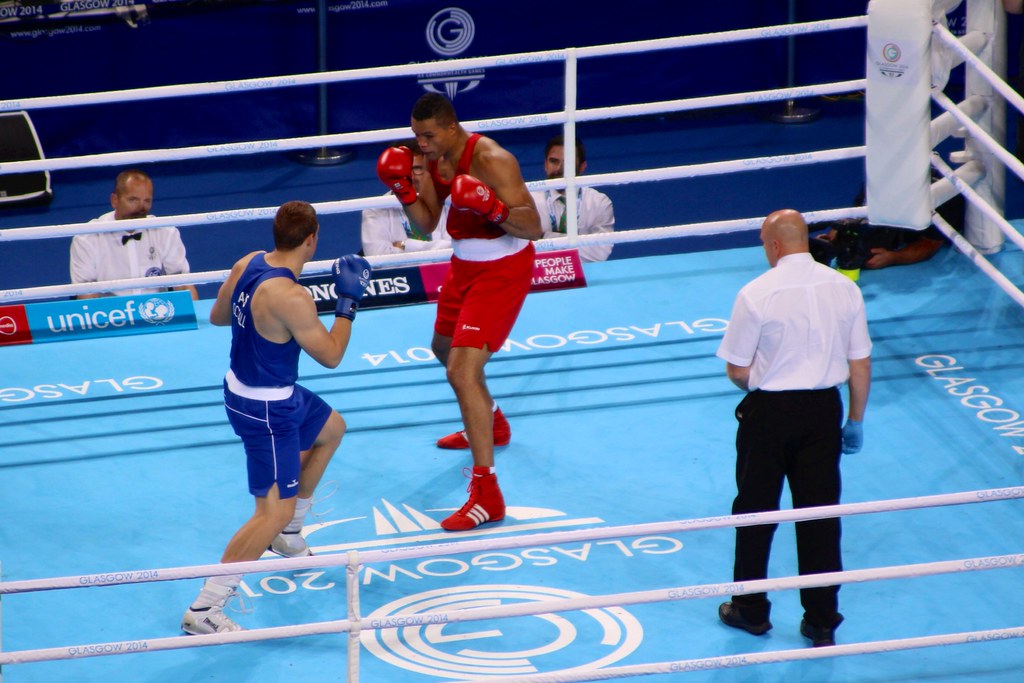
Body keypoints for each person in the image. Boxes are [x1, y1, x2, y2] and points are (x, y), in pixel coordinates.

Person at [181, 201, 371, 634]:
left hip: (254, 388)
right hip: (267, 410)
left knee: (331, 429)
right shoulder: (292, 297)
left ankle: (289, 534)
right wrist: (347, 303)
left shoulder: (248, 262)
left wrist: (261, 326)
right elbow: (333, 355)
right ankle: (205, 608)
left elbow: (216, 316)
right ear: (312, 239)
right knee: (270, 511)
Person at [375, 92, 543, 531]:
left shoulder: (491, 158)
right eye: (416, 136)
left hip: (503, 267)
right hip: (464, 265)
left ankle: (487, 492)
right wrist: (403, 189)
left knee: (461, 370)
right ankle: (492, 422)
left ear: (451, 127)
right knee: (443, 346)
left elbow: (534, 226)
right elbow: (426, 224)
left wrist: (493, 206)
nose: (421, 145)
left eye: (427, 136)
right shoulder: (433, 160)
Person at [715, 209, 872, 648]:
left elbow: (738, 371)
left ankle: (749, 609)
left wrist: (766, 379)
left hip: (769, 415)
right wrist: (854, 420)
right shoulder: (844, 288)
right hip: (824, 412)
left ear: (774, 246)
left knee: (756, 513)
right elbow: (859, 362)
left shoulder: (756, 292)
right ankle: (822, 620)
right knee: (819, 516)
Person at [70, 169, 199, 300]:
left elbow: (183, 285)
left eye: (147, 201)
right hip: (109, 314)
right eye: (133, 200)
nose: (141, 208)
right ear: (114, 200)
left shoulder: (165, 231)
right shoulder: (87, 238)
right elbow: (87, 296)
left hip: (157, 312)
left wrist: (196, 316)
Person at [810, 173, 966, 272]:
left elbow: (929, 244)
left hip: (934, 233)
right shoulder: (879, 180)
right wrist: (835, 238)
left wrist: (893, 257)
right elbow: (856, 217)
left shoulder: (942, 195)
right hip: (893, 229)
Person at [530, 135, 615, 262]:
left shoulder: (599, 202)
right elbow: (521, 249)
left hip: (587, 276)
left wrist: (545, 237)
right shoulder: (529, 199)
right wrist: (579, 243)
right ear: (545, 164)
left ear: (582, 167)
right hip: (538, 276)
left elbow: (600, 253)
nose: (559, 169)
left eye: (568, 163)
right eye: (553, 161)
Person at [362, 140, 451, 256]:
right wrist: (434, 248)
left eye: (417, 168)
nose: (411, 177)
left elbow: (452, 248)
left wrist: (405, 245)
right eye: (404, 170)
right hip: (399, 274)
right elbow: (377, 257)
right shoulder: (374, 210)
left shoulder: (446, 202)